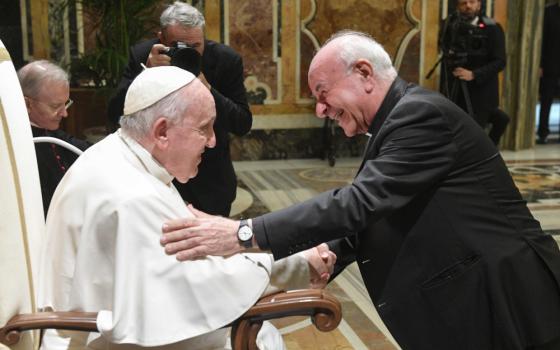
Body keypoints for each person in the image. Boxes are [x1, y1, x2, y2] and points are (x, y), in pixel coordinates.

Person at [160, 31, 560, 350]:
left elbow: (359, 202)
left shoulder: (422, 115)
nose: (320, 109)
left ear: (365, 74)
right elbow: (377, 210)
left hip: (508, 300)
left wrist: (241, 234)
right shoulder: (396, 119)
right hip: (474, 301)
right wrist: (329, 252)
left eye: (322, 92)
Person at [39, 66, 335, 350]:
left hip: (110, 326)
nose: (213, 141)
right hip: (108, 340)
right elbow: (195, 292)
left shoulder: (121, 157)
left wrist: (259, 248)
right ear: (162, 131)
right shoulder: (131, 195)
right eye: (204, 128)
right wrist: (292, 264)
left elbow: (187, 265)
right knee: (261, 339)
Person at [107, 1, 251, 216]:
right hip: (153, 176)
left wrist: (207, 89)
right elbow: (114, 115)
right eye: (179, 46)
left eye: (195, 46)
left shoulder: (225, 60)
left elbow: (242, 123)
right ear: (161, 39)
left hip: (209, 179)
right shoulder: (144, 56)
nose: (189, 53)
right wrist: (145, 73)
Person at [17, 60, 90, 217]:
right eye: (56, 106)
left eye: (66, 104)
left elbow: (81, 147)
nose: (65, 114)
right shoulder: (15, 145)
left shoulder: (48, 129)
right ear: (26, 104)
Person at [440, 0, 510, 145]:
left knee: (474, 137)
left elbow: (500, 61)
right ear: (457, 5)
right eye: (463, 3)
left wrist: (474, 74)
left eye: (472, 1)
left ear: (479, 4)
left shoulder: (492, 28)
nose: (468, 6)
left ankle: (485, 158)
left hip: (482, 93)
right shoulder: (450, 25)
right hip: (456, 91)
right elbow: (444, 50)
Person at [537, 1, 560, 144]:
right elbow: (542, 40)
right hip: (550, 64)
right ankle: (543, 133)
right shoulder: (549, 12)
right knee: (546, 100)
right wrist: (540, 64)